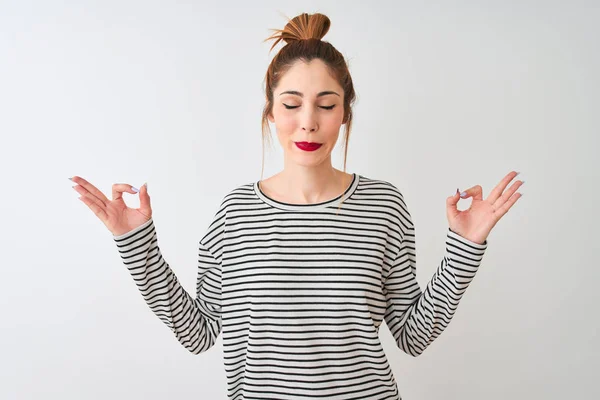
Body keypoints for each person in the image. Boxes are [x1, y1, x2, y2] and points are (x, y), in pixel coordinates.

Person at [70, 12, 523, 400]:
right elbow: (198, 332)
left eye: (326, 105)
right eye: (292, 104)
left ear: (345, 113)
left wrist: (465, 245)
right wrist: (134, 243)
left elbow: (412, 335)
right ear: (271, 112)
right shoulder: (235, 213)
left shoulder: (383, 205)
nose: (308, 122)